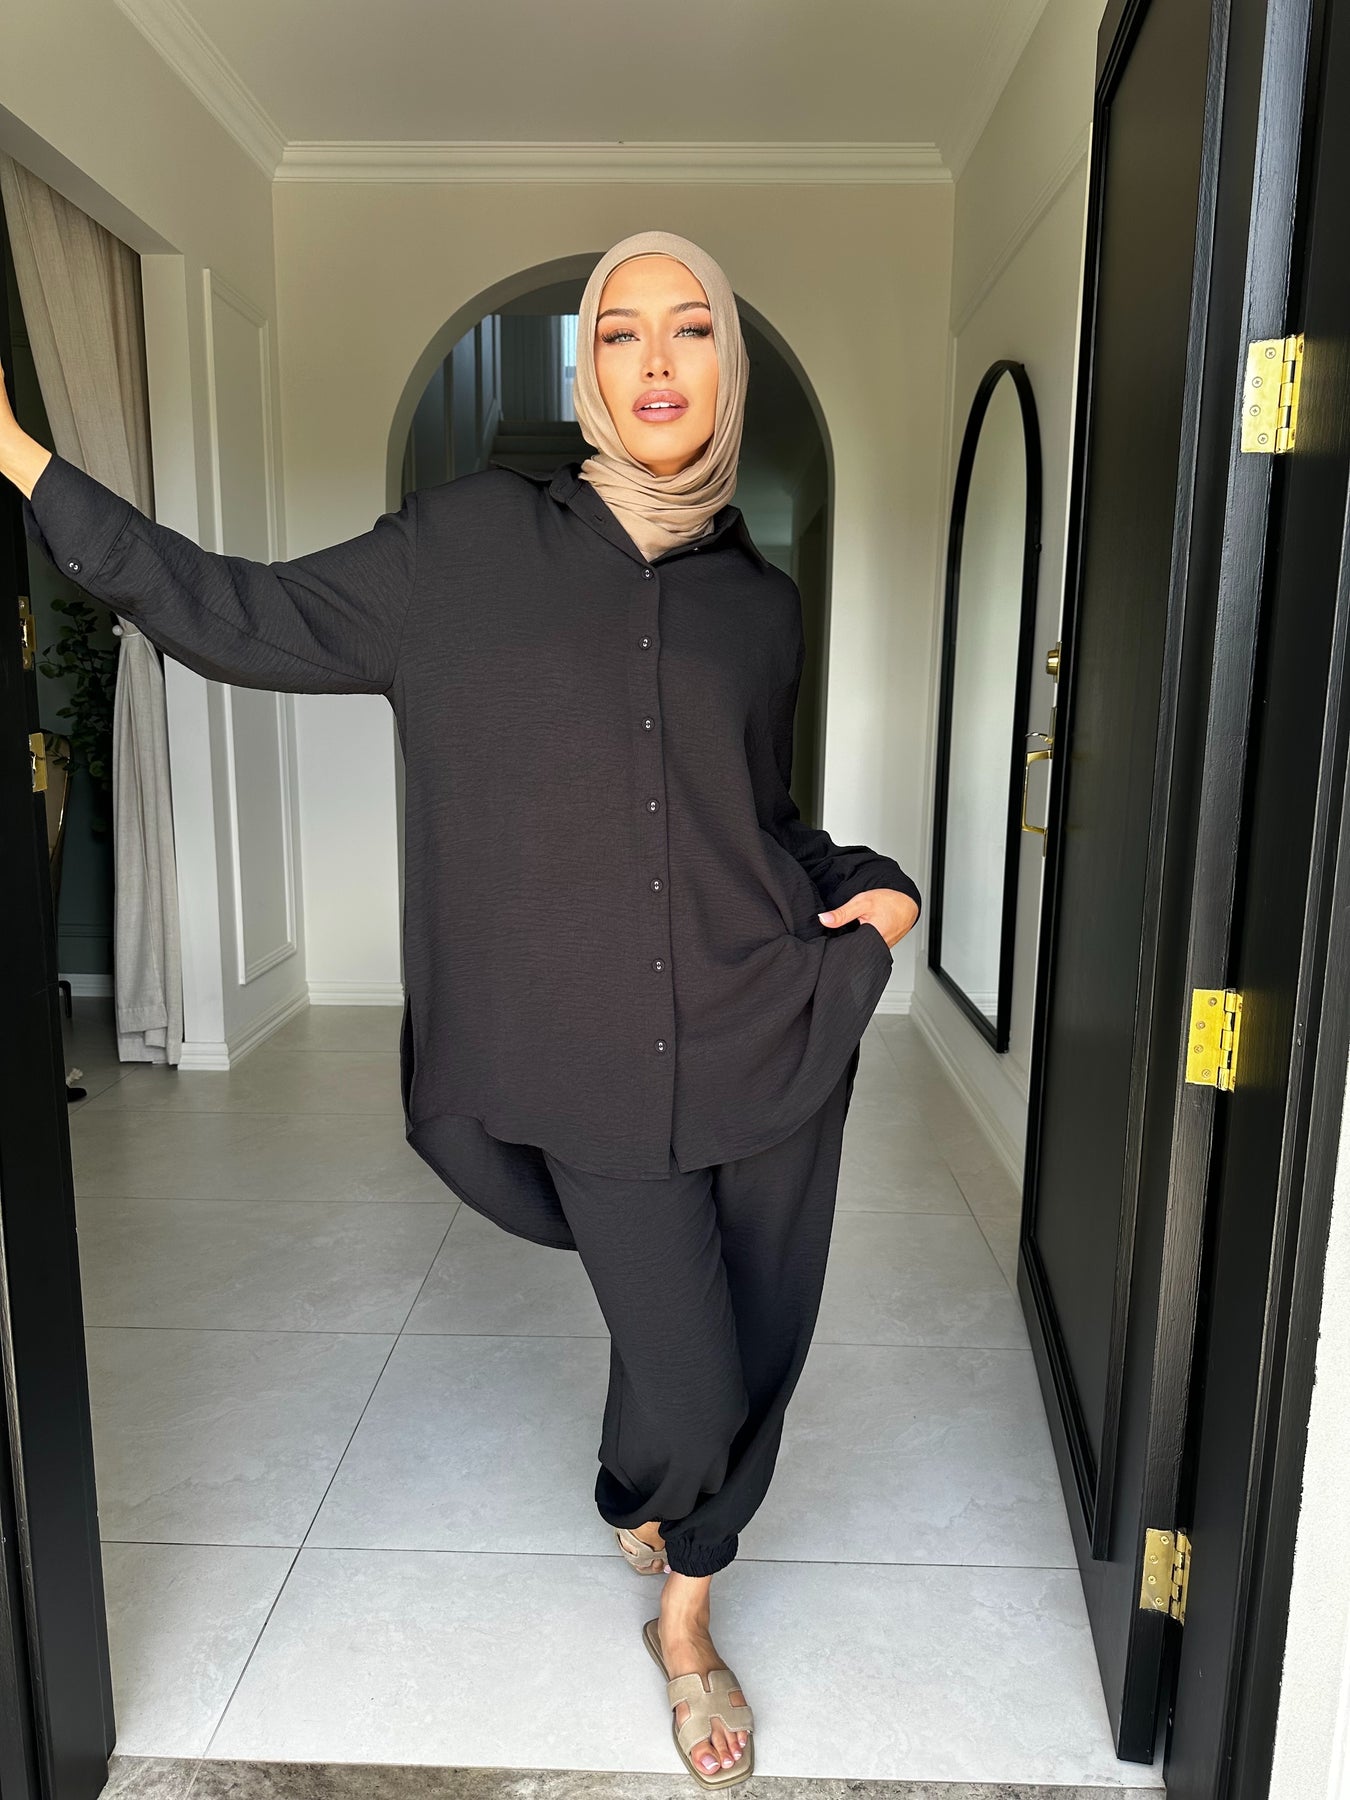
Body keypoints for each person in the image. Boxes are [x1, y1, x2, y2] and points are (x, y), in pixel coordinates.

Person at [1, 227, 920, 1789]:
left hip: (766, 1019)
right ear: (586, 370)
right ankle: (657, 1542)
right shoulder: (468, 543)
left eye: (688, 329)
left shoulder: (756, 606)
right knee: (688, 1372)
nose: (654, 361)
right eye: (619, 331)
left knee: (759, 1333)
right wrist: (23, 460)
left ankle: (679, 1586)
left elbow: (753, 816)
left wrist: (875, 886)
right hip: (588, 1048)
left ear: (727, 364)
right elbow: (234, 613)